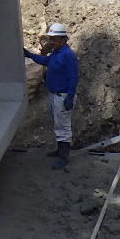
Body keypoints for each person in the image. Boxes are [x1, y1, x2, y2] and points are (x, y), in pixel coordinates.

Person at [24, 23, 79, 169]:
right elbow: (46, 61)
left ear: (63, 39)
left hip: (63, 96)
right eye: (51, 39)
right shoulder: (56, 52)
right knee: (58, 124)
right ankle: (60, 150)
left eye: (54, 39)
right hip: (54, 94)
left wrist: (70, 96)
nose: (51, 42)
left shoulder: (68, 55)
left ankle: (64, 156)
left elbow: (73, 76)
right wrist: (30, 55)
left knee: (63, 127)